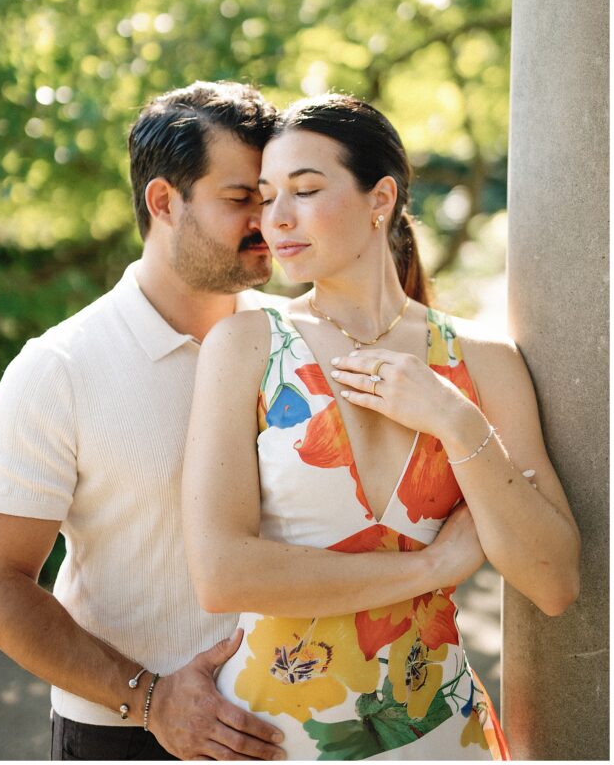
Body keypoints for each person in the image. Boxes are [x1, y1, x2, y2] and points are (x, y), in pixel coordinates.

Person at [183, 93, 581, 761]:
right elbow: (222, 574)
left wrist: (456, 421)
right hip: (277, 739)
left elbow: (554, 581)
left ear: (381, 198)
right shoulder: (247, 344)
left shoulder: (482, 360)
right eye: (267, 196)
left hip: (441, 736)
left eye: (305, 190)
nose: (277, 218)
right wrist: (434, 567)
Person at [0, 81, 290, 761]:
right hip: (127, 735)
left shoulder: (300, 341)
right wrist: (151, 699)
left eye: (274, 195)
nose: (270, 219)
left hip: (297, 727)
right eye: (240, 198)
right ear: (164, 201)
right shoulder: (59, 368)